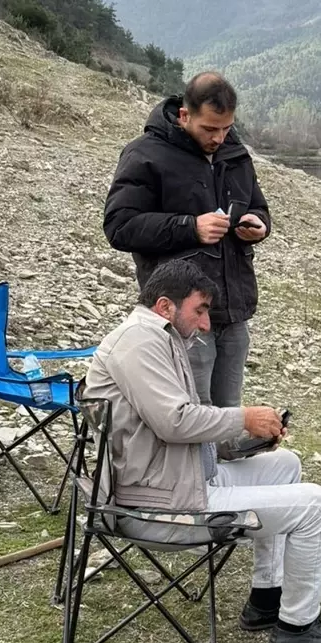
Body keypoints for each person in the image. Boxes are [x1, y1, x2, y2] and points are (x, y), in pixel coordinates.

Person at [82, 260, 321, 643]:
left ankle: (266, 598)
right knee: (315, 504)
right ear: (165, 306)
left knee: (285, 465)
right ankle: (298, 628)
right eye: (199, 310)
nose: (206, 324)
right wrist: (243, 417)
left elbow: (173, 428)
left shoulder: (157, 337)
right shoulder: (139, 342)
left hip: (175, 478)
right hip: (158, 504)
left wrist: (242, 442)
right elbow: (174, 422)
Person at [103, 71, 270, 410]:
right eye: (210, 129)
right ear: (184, 115)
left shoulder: (234, 153)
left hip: (233, 309)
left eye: (226, 128)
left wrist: (260, 225)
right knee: (192, 417)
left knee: (228, 416)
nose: (219, 138)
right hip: (181, 315)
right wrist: (190, 227)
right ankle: (197, 466)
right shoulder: (145, 154)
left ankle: (221, 463)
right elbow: (119, 226)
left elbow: (258, 206)